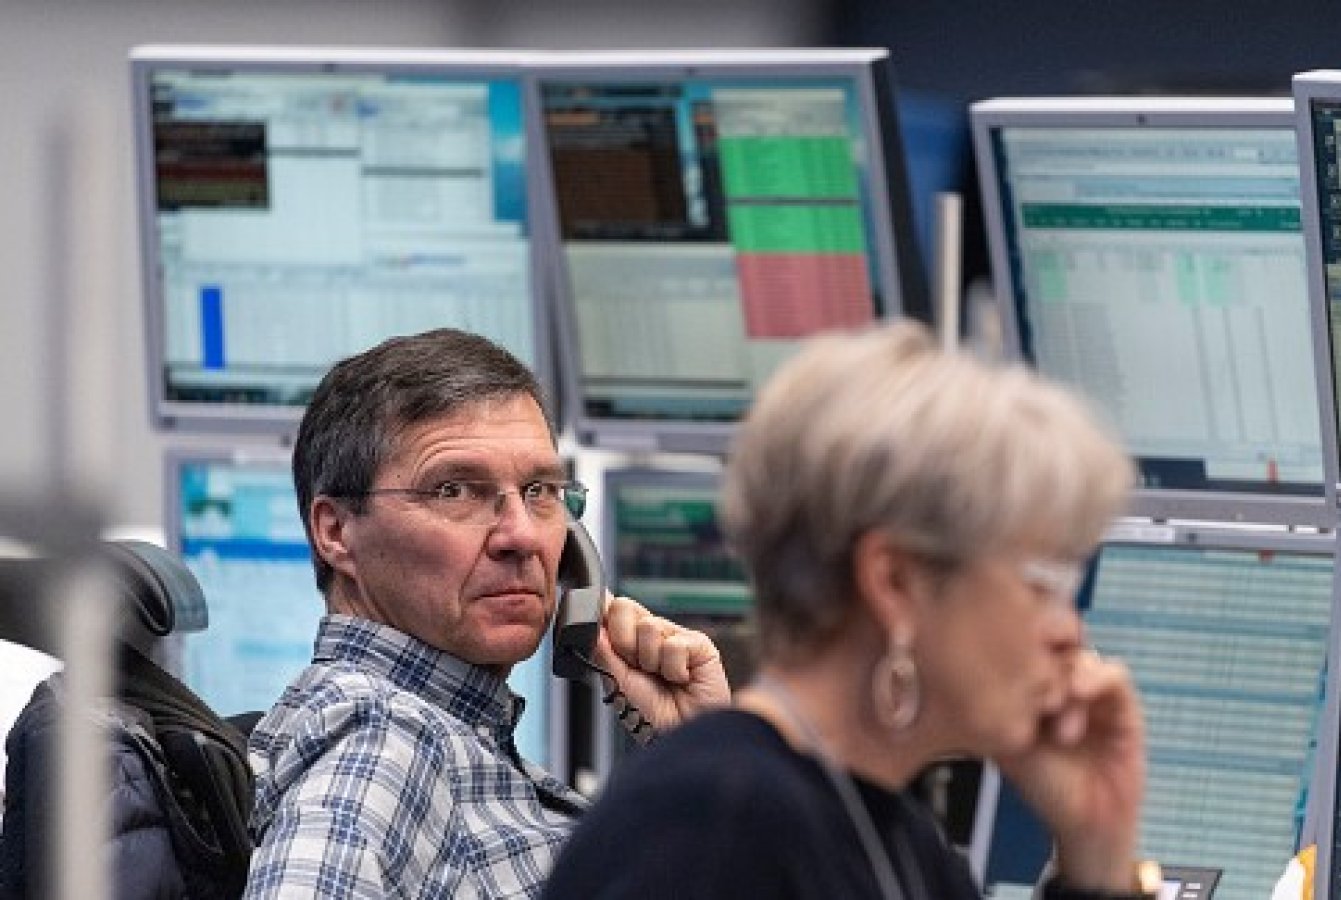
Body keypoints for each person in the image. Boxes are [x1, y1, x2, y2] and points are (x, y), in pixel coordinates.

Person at [546, 320, 1152, 900]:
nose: (1070, 631)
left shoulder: (898, 839)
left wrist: (1095, 851)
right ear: (894, 582)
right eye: (1044, 585)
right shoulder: (708, 828)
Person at [243, 329, 731, 898]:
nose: (522, 536)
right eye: (454, 491)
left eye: (540, 490)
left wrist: (701, 753)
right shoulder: (380, 741)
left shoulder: (459, 738)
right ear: (336, 532)